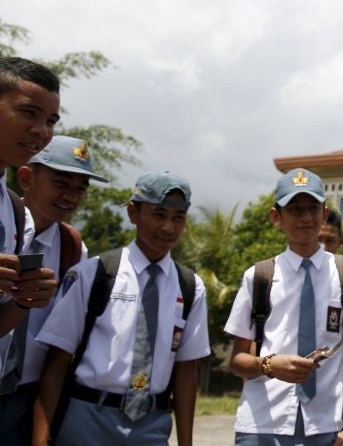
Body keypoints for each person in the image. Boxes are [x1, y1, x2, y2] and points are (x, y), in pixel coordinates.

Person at [32, 171, 210, 446]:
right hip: (88, 417)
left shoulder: (190, 287)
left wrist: (185, 442)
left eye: (178, 218)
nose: (168, 228)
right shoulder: (94, 275)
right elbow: (57, 360)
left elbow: (187, 369)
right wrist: (40, 439)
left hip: (151, 424)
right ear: (133, 212)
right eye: (159, 215)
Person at [225, 168, 343, 445]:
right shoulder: (259, 276)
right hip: (261, 426)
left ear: (324, 212)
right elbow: (237, 360)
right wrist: (269, 365)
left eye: (312, 208)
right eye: (295, 209)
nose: (306, 218)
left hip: (327, 427)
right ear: (276, 217)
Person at [0, 136, 106, 444]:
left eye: (80, 189)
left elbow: (61, 342)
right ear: (26, 178)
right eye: (61, 183)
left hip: (27, 396)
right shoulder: (5, 225)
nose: (71, 196)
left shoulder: (73, 249)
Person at [0, 57, 60, 340]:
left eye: (50, 121)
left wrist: (25, 299)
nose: (42, 131)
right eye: (29, 112)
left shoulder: (15, 212)